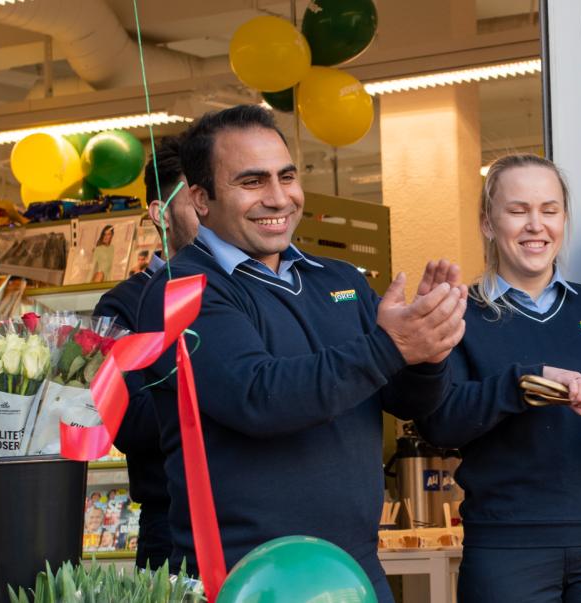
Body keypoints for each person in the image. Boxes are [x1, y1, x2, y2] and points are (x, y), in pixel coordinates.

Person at [136, 104, 466, 601]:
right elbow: (258, 396)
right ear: (201, 200)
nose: (278, 198)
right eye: (252, 182)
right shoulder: (180, 292)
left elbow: (407, 401)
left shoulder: (339, 279)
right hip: (250, 576)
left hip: (353, 567)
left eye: (286, 176)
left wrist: (427, 349)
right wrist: (389, 345)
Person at [415, 154, 581, 602]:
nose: (535, 225)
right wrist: (523, 385)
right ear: (488, 222)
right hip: (507, 548)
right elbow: (440, 422)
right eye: (518, 210)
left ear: (564, 220)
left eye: (549, 210)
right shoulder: (461, 312)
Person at [92, 135, 199, 570]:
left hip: (261, 514)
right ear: (161, 213)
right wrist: (228, 395)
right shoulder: (122, 306)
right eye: (197, 198)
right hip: (172, 524)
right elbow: (128, 421)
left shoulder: (247, 290)